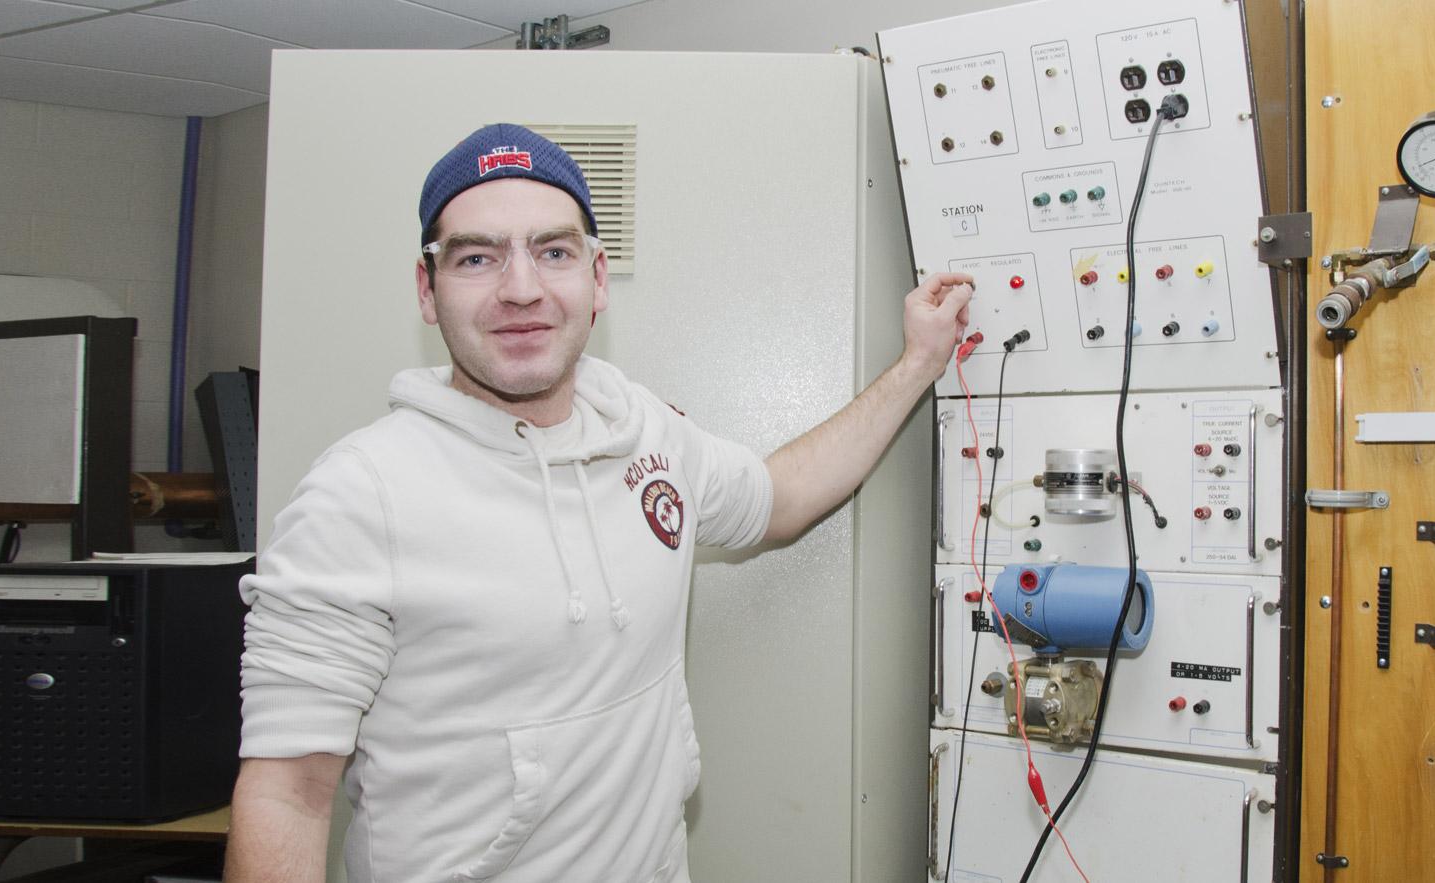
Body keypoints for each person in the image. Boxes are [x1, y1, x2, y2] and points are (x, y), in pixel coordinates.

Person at [226, 123, 974, 883]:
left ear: (598, 277)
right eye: (478, 257)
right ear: (427, 288)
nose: (522, 288)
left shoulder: (646, 433)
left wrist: (918, 362)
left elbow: (781, 497)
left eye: (553, 251)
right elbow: (288, 794)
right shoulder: (360, 496)